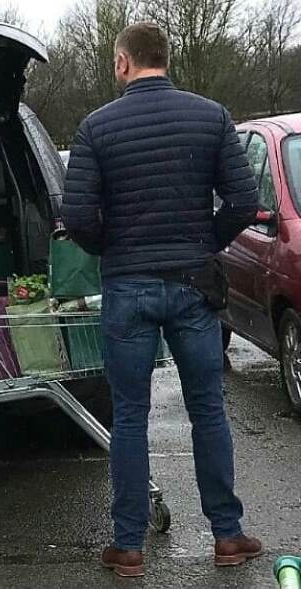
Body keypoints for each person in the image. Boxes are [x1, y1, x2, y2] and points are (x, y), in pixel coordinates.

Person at [60, 22, 261, 577]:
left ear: (125, 62)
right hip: (194, 285)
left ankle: (128, 546)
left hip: (128, 288)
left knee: (129, 415)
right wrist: (205, 243)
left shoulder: (96, 127)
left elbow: (76, 217)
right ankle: (227, 535)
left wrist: (114, 251)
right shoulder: (211, 116)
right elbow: (244, 200)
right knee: (207, 409)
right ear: (165, 60)